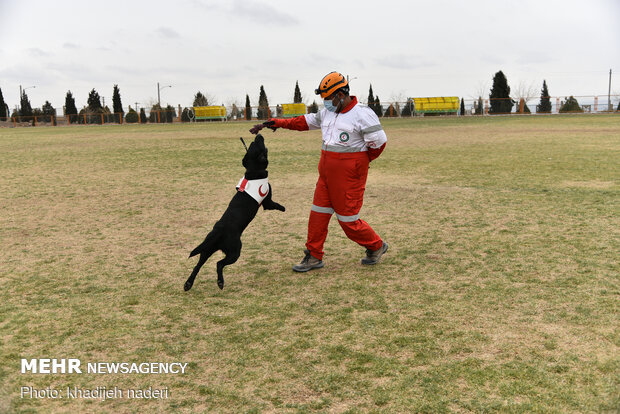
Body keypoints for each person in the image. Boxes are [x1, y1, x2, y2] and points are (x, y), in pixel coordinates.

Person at [256, 71, 388, 272]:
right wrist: (277, 123)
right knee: (317, 214)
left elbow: (378, 144)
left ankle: (376, 246)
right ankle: (314, 256)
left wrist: (357, 165)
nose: (325, 102)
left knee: (348, 221)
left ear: (341, 95)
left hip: (349, 178)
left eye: (328, 98)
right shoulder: (327, 112)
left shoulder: (362, 114)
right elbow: (303, 122)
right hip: (326, 176)